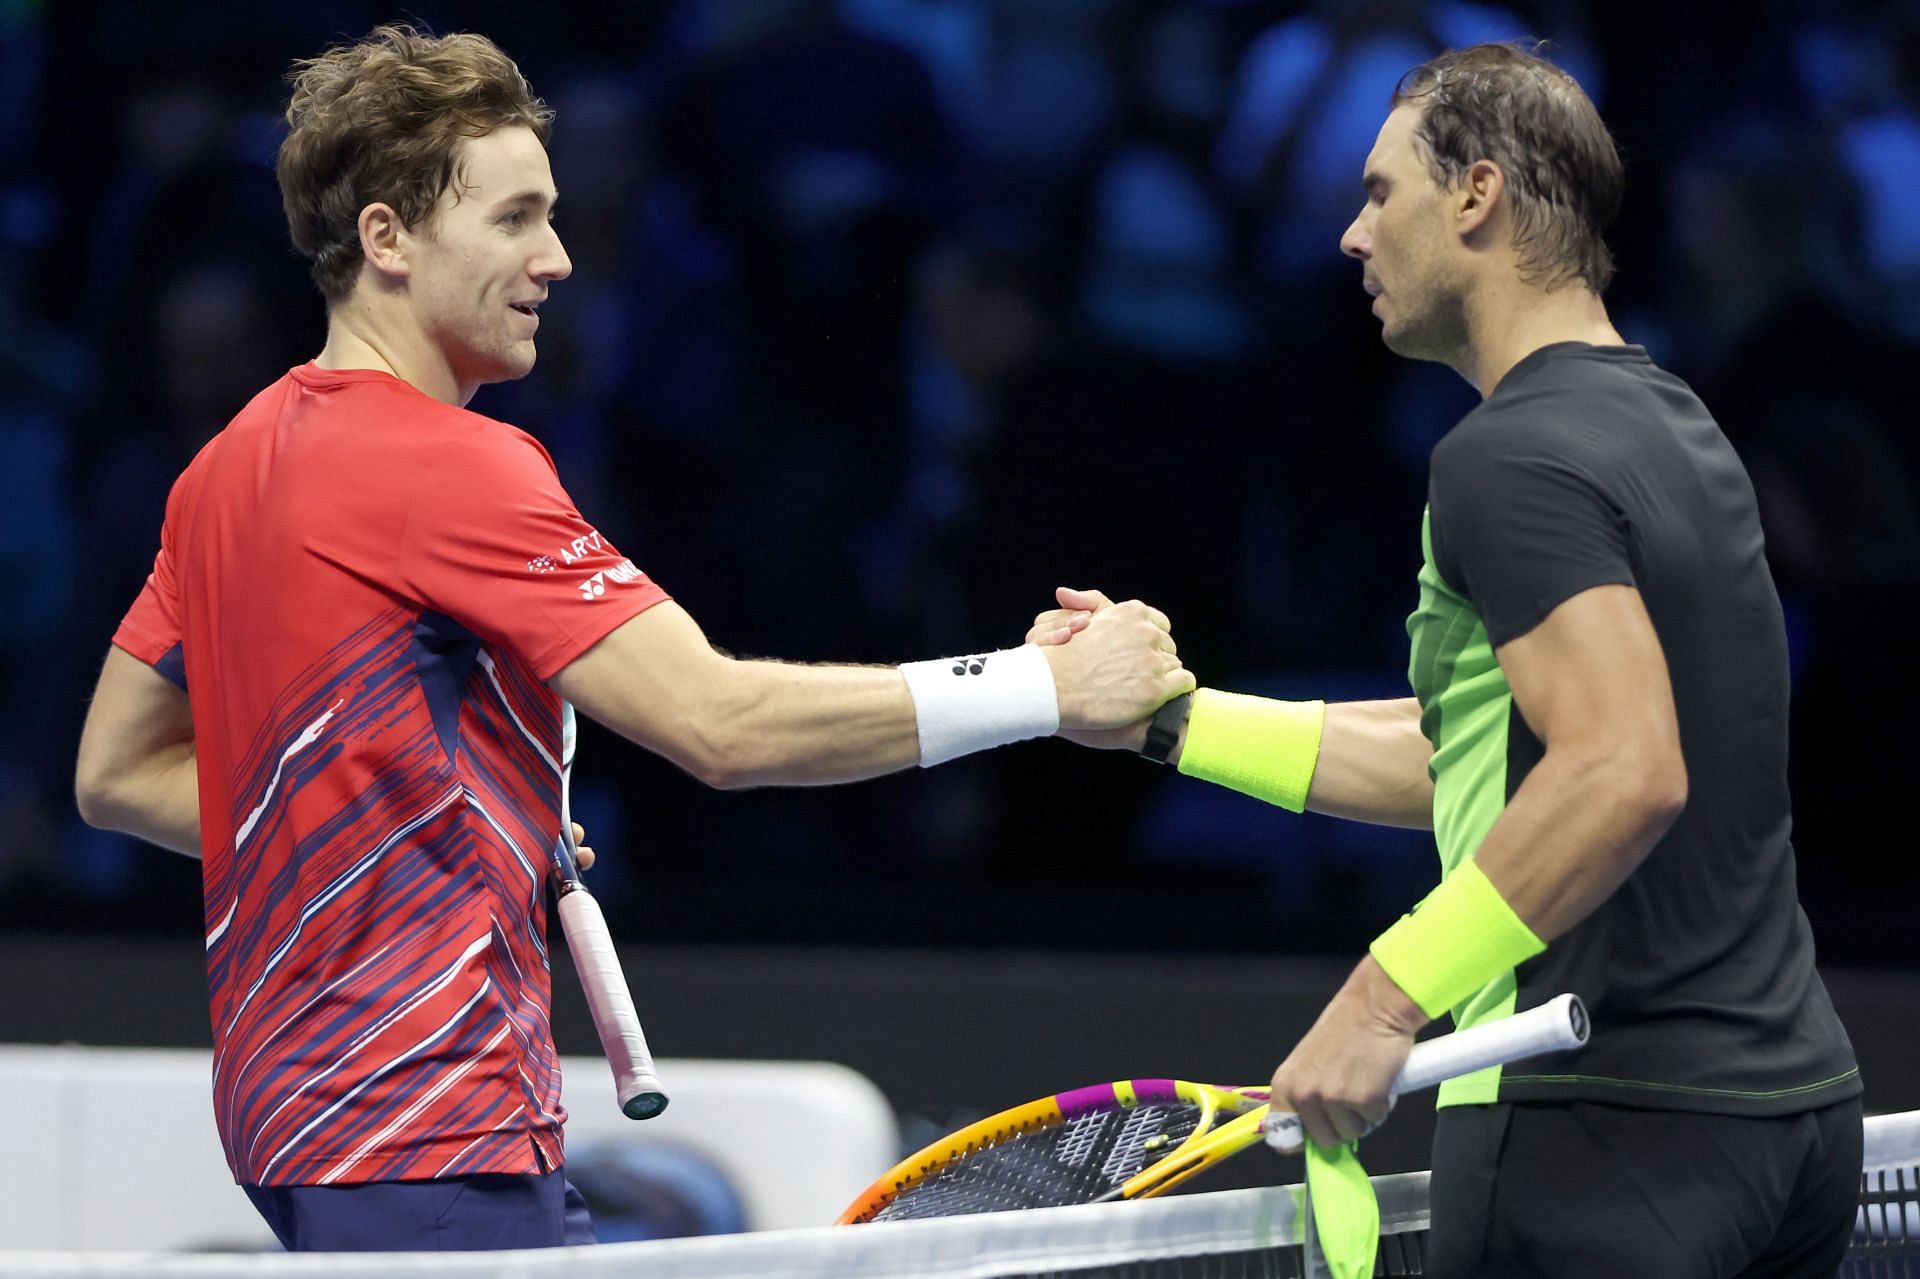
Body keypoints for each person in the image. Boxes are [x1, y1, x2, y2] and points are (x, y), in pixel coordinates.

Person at [70, 25, 1192, 1254]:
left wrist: (412, 816)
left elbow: (114, 774)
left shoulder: (225, 467)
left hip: (293, 1123)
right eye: (513, 219)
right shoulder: (457, 466)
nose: (556, 256)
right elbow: (722, 724)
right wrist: (1042, 685)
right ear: (387, 237)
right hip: (426, 1120)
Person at [1040, 42, 1860, 1279]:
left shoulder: (1506, 456)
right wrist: (1173, 722)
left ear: (1476, 194)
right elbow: (1482, 756)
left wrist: (1382, 998)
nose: (1351, 239)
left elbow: (1623, 770)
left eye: (1379, 194)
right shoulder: (1673, 421)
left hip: (1600, 1125)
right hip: (1788, 1117)